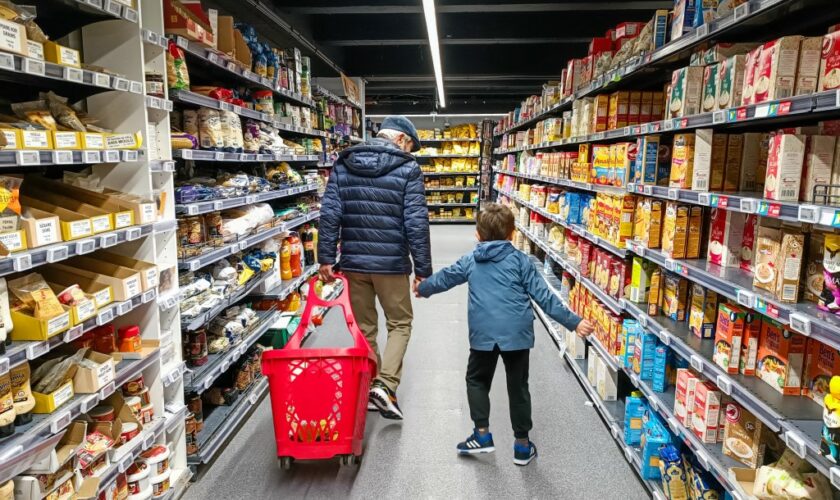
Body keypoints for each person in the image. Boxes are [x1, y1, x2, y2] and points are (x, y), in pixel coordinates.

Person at [415, 203, 594, 465]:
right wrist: (574, 322)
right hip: (516, 335)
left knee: (477, 380)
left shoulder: (471, 260)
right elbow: (544, 297)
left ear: (477, 235)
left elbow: (447, 277)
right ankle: (522, 446)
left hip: (483, 335)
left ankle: (482, 435)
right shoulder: (521, 262)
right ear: (512, 234)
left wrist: (425, 288)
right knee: (518, 387)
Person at [318, 115, 432, 420]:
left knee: (364, 326)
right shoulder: (408, 169)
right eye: (410, 145)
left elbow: (330, 214)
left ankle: (371, 382)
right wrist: (423, 271)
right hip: (391, 264)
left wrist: (326, 257)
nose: (410, 151)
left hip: (354, 262)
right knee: (400, 323)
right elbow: (416, 224)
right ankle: (385, 384)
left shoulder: (344, 164)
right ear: (401, 140)